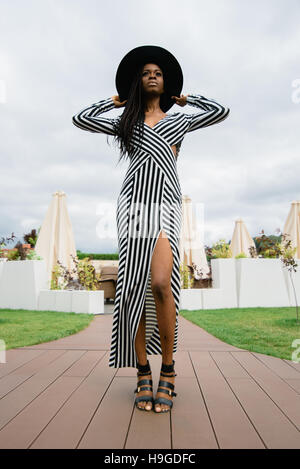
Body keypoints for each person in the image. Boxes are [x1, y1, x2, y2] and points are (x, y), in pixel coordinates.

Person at [72, 45, 230, 413]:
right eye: (146, 73)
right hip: (132, 207)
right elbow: (81, 118)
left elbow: (220, 111)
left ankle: (169, 370)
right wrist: (115, 100)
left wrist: (190, 99)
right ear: (137, 83)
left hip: (165, 209)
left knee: (160, 284)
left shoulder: (180, 120)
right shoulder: (125, 122)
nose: (153, 75)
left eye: (158, 72)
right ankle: (143, 370)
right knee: (130, 292)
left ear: (166, 81)